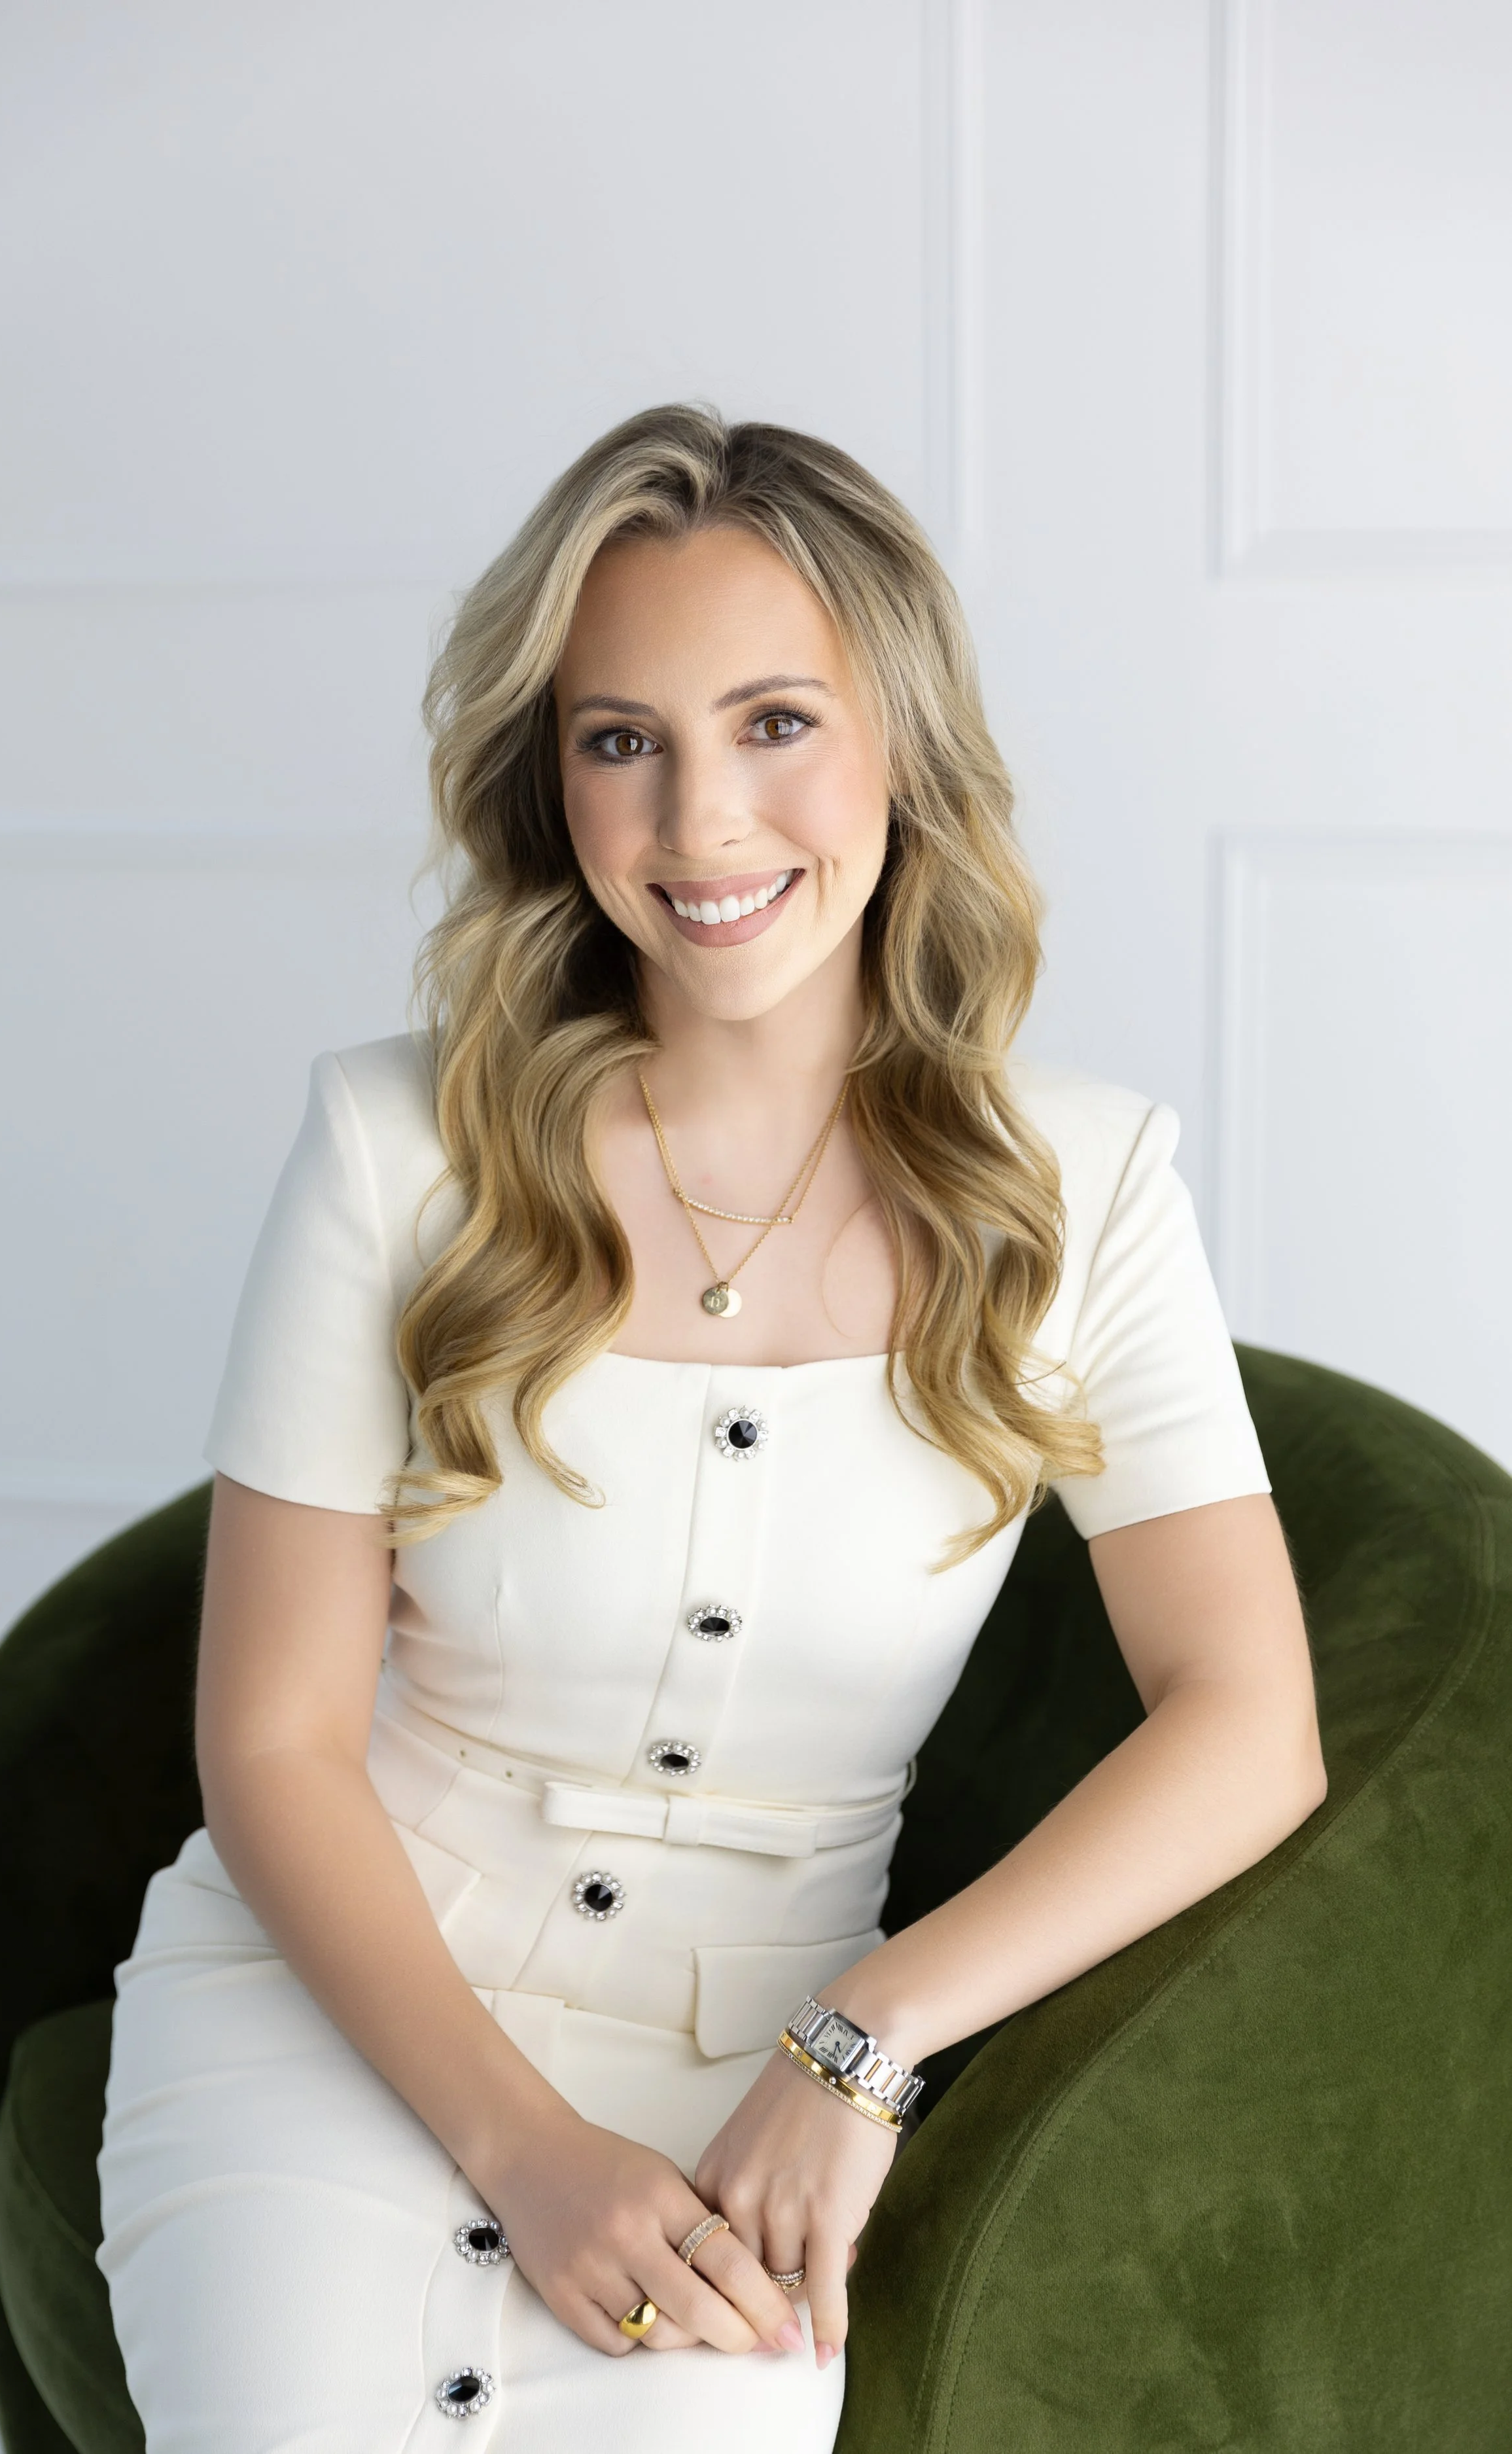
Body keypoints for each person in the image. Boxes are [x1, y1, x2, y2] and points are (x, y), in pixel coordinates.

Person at [97, 404, 1326, 2451]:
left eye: (774, 723)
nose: (699, 821)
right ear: (548, 778)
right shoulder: (393, 1145)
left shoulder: (1084, 1188)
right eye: (617, 739)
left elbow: (1246, 1723)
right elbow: (272, 1738)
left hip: (754, 2068)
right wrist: (519, 2142)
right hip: (335, 2009)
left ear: (901, 747)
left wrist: (861, 2044)